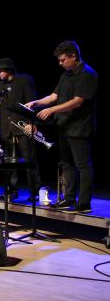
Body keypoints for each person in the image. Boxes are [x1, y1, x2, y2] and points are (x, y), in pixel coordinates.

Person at [26, 40, 98, 213]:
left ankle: (84, 202)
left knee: (82, 164)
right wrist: (36, 103)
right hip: (64, 126)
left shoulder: (87, 74)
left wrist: (51, 110)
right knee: (66, 164)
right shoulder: (66, 74)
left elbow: (77, 101)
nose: (60, 63)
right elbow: (53, 96)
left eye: (63, 59)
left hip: (79, 126)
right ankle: (69, 198)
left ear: (74, 56)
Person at [0, 57, 41, 201]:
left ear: (9, 70)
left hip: (23, 126)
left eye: (1, 70)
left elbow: (32, 103)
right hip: (6, 129)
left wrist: (32, 122)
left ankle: (35, 191)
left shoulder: (24, 80)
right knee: (8, 161)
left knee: (29, 159)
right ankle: (11, 190)